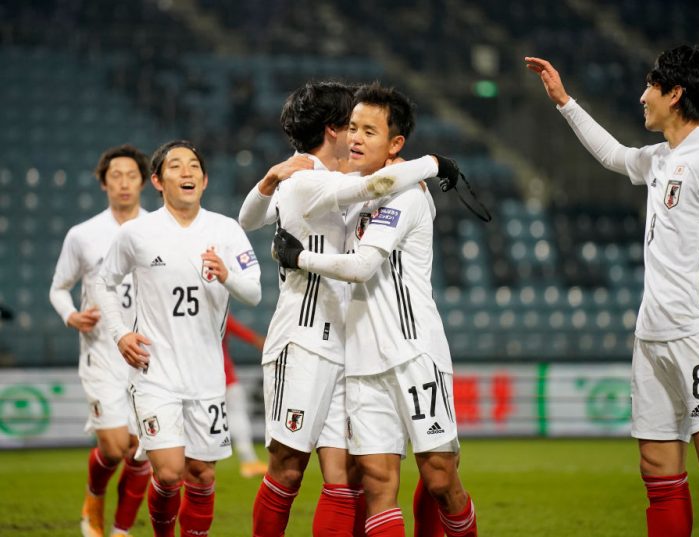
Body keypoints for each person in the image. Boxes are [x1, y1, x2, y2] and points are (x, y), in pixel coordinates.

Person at [525, 47, 699, 537]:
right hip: (651, 335)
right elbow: (613, 155)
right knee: (657, 467)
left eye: (650, 86)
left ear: (675, 94)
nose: (641, 96)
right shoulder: (660, 157)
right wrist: (564, 101)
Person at [240, 81, 461, 537]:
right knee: (287, 467)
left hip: (348, 344)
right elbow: (377, 182)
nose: (357, 136)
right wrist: (432, 163)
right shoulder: (308, 181)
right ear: (334, 130)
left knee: (346, 477)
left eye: (367, 128)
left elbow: (251, 217)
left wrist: (266, 182)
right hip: (303, 341)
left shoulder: (344, 186)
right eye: (352, 126)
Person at [95, 140, 262, 537]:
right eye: (175, 166)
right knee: (170, 474)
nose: (186, 172)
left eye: (194, 167)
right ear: (157, 180)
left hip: (207, 376)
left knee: (202, 475)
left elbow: (253, 292)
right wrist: (120, 335)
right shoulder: (137, 232)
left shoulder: (226, 229)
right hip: (156, 373)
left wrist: (227, 275)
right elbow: (104, 283)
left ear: (204, 180)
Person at [49, 144, 152, 537]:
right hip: (101, 352)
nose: (124, 183)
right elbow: (59, 288)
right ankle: (94, 495)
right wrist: (70, 314)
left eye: (131, 175)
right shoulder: (83, 235)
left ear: (143, 181)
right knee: (114, 448)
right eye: (115, 177)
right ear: (104, 183)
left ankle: (120, 531)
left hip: (146, 354)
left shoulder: (156, 229)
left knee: (142, 450)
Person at [222, 314, 269, 478]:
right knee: (237, 413)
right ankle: (249, 461)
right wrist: (258, 340)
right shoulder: (214, 307)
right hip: (224, 376)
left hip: (195, 379)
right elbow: (238, 329)